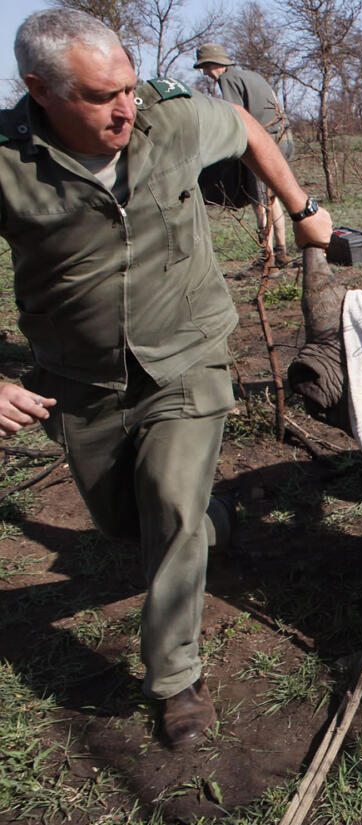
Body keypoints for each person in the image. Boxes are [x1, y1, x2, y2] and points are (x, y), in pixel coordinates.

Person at [0, 9, 332, 750]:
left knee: (171, 505)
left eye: (127, 85)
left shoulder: (169, 121)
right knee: (127, 521)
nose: (125, 107)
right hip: (84, 380)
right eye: (100, 95)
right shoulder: (6, 163)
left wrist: (302, 208)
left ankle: (174, 681)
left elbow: (245, 126)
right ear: (39, 91)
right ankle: (213, 523)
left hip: (188, 353)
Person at [195, 42, 295, 269]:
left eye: (205, 67)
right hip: (284, 139)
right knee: (272, 199)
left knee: (260, 203)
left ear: (213, 64)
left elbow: (236, 118)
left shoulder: (227, 79)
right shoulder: (251, 76)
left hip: (266, 143)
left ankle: (266, 259)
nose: (205, 73)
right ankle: (281, 253)